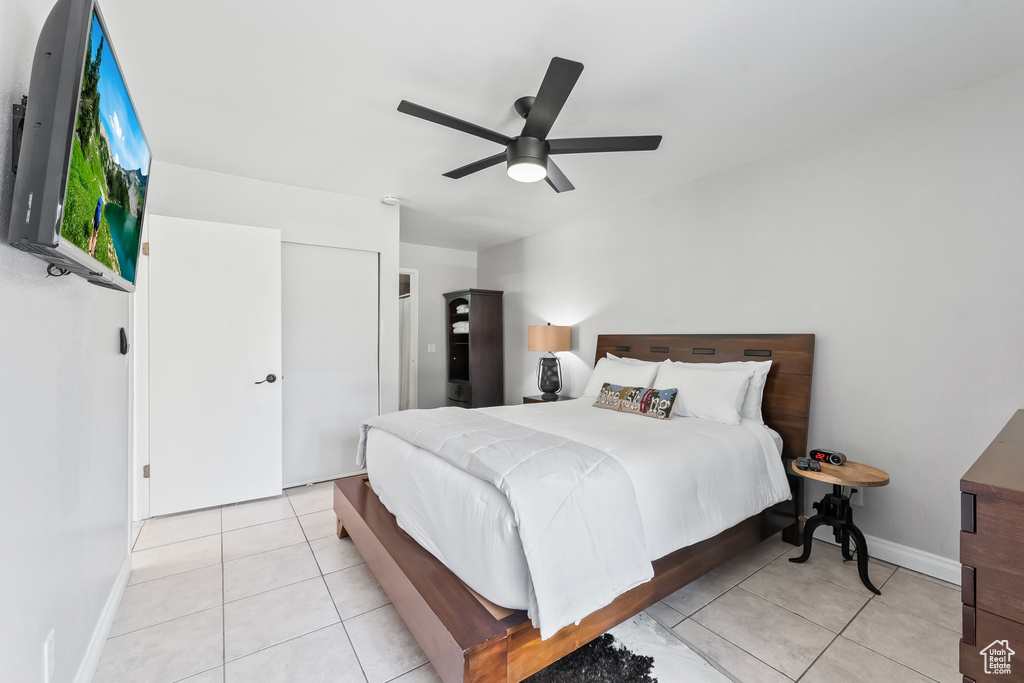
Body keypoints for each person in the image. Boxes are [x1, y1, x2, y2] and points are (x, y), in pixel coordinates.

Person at [88, 191, 104, 257]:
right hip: (97, 224)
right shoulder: (100, 209)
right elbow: (99, 218)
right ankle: (92, 250)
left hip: (95, 223)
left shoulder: (97, 208)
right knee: (95, 235)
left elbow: (95, 215)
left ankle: (91, 248)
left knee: (93, 234)